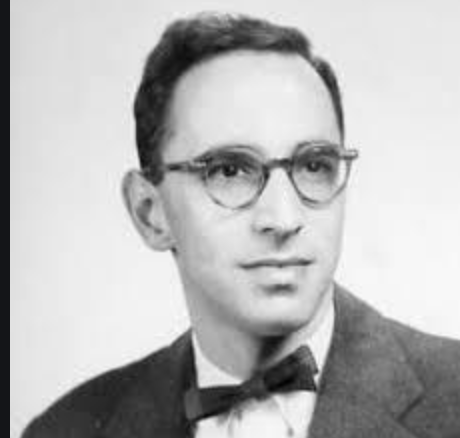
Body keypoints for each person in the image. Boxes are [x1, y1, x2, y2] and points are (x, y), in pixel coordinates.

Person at [23, 12, 460, 438]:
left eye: (313, 165)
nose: (284, 220)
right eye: (229, 171)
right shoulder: (66, 429)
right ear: (149, 212)